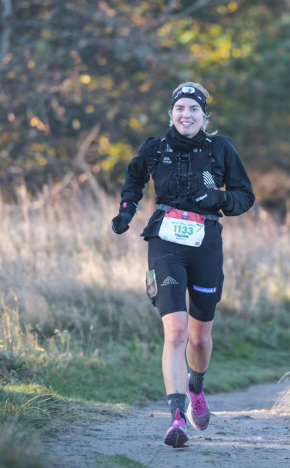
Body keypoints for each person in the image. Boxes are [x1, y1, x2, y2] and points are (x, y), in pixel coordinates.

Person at [111, 81, 255, 448]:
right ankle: (176, 417)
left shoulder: (220, 149)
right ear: (171, 113)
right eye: (180, 109)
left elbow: (245, 196)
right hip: (165, 243)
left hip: (205, 243)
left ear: (204, 116)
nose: (186, 115)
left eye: (193, 109)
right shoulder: (155, 148)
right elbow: (134, 178)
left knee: (199, 336)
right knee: (175, 331)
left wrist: (218, 198)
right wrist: (128, 210)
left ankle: (196, 387)